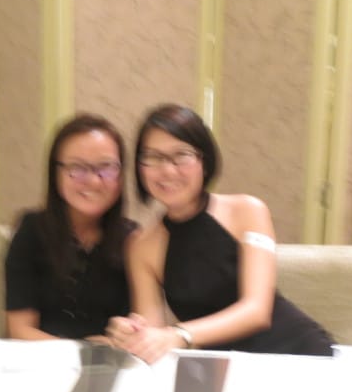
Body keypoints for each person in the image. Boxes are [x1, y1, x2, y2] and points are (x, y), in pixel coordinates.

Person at [106, 103, 335, 362]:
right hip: (220, 369)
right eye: (153, 157)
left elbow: (257, 310)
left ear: (204, 161)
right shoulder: (141, 245)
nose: (167, 170)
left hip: (299, 353)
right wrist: (131, 332)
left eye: (181, 155)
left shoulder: (247, 211)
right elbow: (153, 336)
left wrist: (179, 334)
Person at [4, 114, 135, 341]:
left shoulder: (133, 240)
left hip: (108, 362)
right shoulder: (31, 230)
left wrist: (126, 333)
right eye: (77, 168)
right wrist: (84, 350)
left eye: (106, 167)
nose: (93, 181)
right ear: (56, 174)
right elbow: (20, 330)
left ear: (121, 175)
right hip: (40, 359)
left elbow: (136, 327)